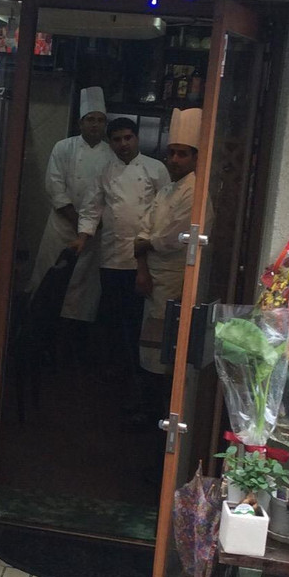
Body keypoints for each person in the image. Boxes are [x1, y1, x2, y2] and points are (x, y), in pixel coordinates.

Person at [71, 117, 169, 387]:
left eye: (128, 138)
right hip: (112, 255)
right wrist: (82, 237)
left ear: (137, 138)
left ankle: (141, 372)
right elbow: (92, 208)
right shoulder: (104, 170)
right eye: (117, 139)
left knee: (139, 317)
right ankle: (116, 370)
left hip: (145, 258)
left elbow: (165, 210)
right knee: (113, 317)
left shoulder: (156, 168)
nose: (123, 144)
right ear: (110, 142)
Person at [133, 107, 204, 426]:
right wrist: (143, 262)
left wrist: (146, 243)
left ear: (196, 157)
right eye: (171, 153)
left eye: (182, 154)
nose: (175, 159)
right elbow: (144, 229)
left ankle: (158, 419)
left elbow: (171, 237)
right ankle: (147, 410)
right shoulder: (166, 189)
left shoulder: (196, 193)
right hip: (152, 277)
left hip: (175, 281)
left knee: (165, 354)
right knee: (148, 347)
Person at [27, 86, 115, 328]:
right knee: (47, 277)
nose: (95, 125)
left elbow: (110, 194)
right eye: (90, 119)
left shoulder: (111, 154)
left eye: (100, 120)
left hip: (93, 233)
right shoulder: (63, 147)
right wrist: (78, 221)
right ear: (80, 123)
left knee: (82, 289)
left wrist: (89, 228)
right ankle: (37, 325)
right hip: (61, 226)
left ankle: (74, 333)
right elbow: (54, 186)